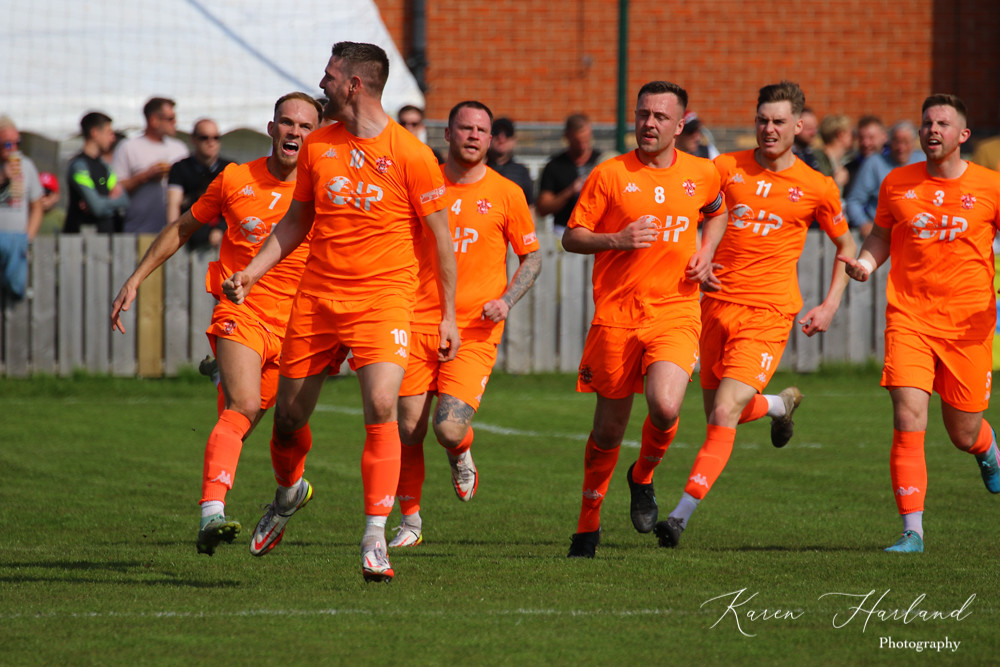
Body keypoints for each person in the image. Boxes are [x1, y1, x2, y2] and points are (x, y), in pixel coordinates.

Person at [222, 42, 459, 583]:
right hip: (318, 300)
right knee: (287, 420)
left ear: (354, 84)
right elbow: (295, 221)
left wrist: (447, 316)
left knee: (382, 405)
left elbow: (442, 241)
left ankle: (375, 538)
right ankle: (287, 495)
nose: (321, 83)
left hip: (384, 300)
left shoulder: (412, 155)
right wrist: (252, 272)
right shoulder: (318, 145)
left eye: (329, 76)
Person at [110, 92, 322, 555]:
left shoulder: (326, 191)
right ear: (272, 129)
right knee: (241, 406)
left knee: (288, 424)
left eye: (306, 126)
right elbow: (182, 228)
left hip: (300, 326)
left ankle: (290, 492)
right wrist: (135, 279)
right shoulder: (235, 178)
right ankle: (212, 513)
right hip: (240, 311)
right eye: (287, 122)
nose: (295, 131)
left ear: (317, 136)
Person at [655, 81, 857, 549]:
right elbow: (690, 215)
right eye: (762, 120)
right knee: (718, 413)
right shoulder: (725, 169)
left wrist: (829, 304)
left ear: (799, 126)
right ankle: (779, 406)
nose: (769, 129)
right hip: (713, 307)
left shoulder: (817, 186)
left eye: (779, 122)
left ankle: (680, 516)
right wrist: (701, 256)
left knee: (724, 411)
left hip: (767, 313)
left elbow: (846, 246)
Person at [562, 81, 728, 558]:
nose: (649, 124)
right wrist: (617, 239)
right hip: (616, 317)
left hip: (675, 311)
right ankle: (587, 526)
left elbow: (718, 213)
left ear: (680, 124)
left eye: (659, 116)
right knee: (608, 432)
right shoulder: (610, 174)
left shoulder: (703, 172)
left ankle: (643, 475)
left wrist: (706, 252)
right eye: (642, 114)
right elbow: (572, 237)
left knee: (666, 406)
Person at [839, 94, 1000, 554]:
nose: (932, 130)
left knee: (962, 432)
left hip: (968, 326)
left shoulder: (990, 185)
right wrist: (866, 264)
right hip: (908, 317)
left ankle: (986, 449)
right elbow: (880, 235)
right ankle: (913, 531)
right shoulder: (897, 182)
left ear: (962, 135)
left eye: (943, 124)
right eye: (927, 122)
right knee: (908, 417)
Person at [390, 101, 541, 548]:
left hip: (474, 329)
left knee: (448, 428)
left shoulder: (507, 193)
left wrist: (506, 300)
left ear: (491, 139)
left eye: (481, 130)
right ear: (447, 134)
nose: (473, 135)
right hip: (415, 321)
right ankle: (410, 523)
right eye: (465, 128)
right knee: (408, 430)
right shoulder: (421, 183)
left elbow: (532, 257)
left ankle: (460, 451)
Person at [111, 97, 189, 234]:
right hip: (138, 232)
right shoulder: (128, 147)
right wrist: (145, 176)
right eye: (170, 119)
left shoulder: (180, 148)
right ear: (154, 120)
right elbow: (115, 190)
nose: (175, 123)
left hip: (175, 234)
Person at [844, 121, 922, 237]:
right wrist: (863, 223)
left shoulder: (923, 161)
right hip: (883, 235)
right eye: (897, 142)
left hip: (917, 233)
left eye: (906, 142)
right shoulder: (874, 163)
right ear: (889, 142)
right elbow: (854, 201)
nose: (901, 147)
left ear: (914, 142)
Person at [167, 118, 234, 251]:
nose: (211, 142)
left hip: (224, 236)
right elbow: (173, 205)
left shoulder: (231, 169)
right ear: (193, 140)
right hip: (189, 235)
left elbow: (236, 207)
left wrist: (220, 228)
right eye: (204, 138)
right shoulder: (180, 168)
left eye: (216, 138)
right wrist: (172, 235)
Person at [63, 111, 130, 234]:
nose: (112, 138)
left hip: (107, 235)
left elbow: (124, 201)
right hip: (81, 239)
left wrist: (100, 202)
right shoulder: (79, 166)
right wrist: (108, 203)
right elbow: (97, 208)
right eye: (108, 133)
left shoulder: (105, 166)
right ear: (94, 133)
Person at [0, 116, 44, 301]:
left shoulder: (26, 166)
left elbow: (37, 206)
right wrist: (3, 177)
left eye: (17, 143)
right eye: (7, 144)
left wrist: (28, 237)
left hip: (17, 241)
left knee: (15, 291)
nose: (13, 148)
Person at [537, 113, 602, 237]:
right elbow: (543, 208)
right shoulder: (555, 165)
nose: (582, 146)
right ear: (567, 137)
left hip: (596, 230)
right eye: (577, 142)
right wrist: (570, 191)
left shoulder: (601, 161)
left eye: (585, 140)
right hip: (563, 231)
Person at [486, 116, 535, 206]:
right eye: (496, 132)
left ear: (514, 140)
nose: (501, 138)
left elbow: (530, 206)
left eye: (507, 134)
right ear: (489, 138)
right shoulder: (479, 169)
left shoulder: (521, 172)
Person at [843, 115, 888, 196]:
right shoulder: (849, 170)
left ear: (884, 137)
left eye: (871, 138)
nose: (866, 143)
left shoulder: (894, 166)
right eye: (861, 138)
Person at [813, 113, 853, 191]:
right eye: (851, 133)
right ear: (841, 135)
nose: (853, 138)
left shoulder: (840, 160)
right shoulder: (819, 160)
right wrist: (836, 183)